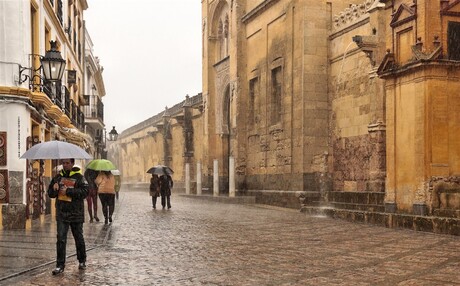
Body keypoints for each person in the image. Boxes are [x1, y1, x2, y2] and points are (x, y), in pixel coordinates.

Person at [48, 158, 89, 275]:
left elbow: (85, 192)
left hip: (76, 213)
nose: (65, 165)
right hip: (62, 213)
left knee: (78, 238)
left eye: (67, 163)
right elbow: (50, 194)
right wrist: (53, 189)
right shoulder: (57, 177)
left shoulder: (79, 177)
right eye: (63, 163)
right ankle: (60, 265)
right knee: (61, 239)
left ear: (72, 163)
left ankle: (82, 260)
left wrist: (69, 191)